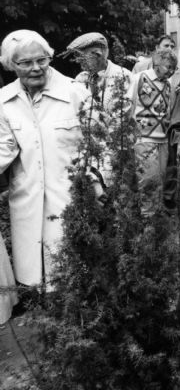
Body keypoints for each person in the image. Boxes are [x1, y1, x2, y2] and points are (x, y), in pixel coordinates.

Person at [0, 30, 91, 290]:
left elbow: (100, 143)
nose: (36, 68)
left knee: (72, 273)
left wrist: (98, 185)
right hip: (27, 197)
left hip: (69, 196)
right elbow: (4, 147)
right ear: (11, 65)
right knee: (34, 275)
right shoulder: (4, 101)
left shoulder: (75, 92)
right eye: (25, 63)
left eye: (41, 60)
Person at [128, 48, 180, 212]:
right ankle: (147, 219)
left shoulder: (168, 84)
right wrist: (129, 132)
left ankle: (157, 218)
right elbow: (128, 104)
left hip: (163, 140)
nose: (171, 72)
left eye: (173, 68)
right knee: (148, 181)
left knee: (161, 181)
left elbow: (168, 110)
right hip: (144, 139)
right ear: (156, 63)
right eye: (168, 67)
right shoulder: (139, 78)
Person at [69, 32, 132, 112]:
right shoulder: (81, 78)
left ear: (98, 54)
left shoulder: (123, 77)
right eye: (77, 57)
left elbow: (122, 114)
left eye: (83, 57)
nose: (78, 61)